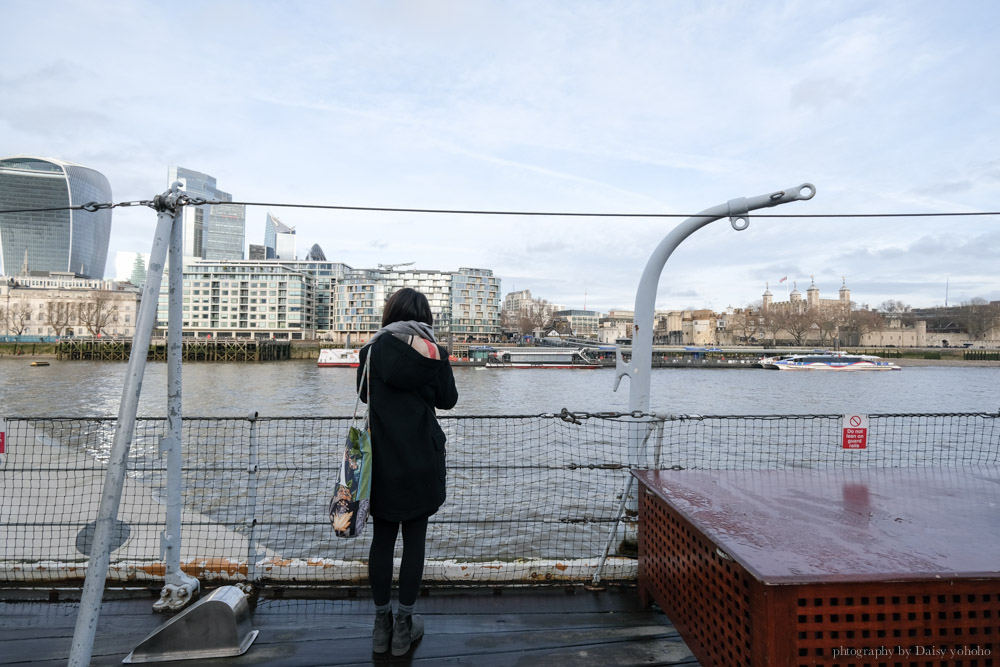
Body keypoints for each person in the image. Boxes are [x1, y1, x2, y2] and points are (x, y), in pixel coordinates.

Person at [357, 288, 458, 656]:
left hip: (382, 462)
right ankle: (404, 629)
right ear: (425, 317)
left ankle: (380, 626)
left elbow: (365, 396)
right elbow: (448, 400)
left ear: (390, 313)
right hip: (421, 460)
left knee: (382, 541)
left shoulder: (371, 350)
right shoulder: (435, 352)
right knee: (415, 541)